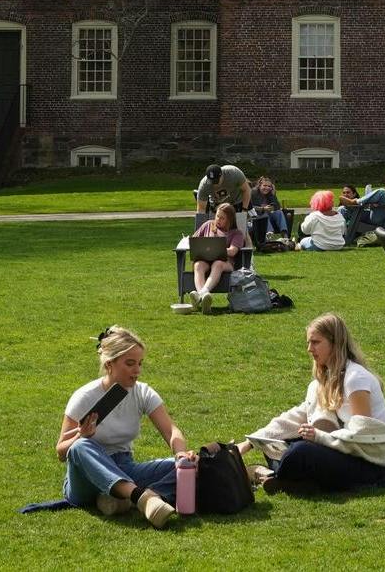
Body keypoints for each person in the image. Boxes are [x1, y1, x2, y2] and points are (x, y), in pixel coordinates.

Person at [239, 313, 385, 493]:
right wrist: (251, 442)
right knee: (276, 441)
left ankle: (266, 474)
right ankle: (294, 481)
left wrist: (319, 437)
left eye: (316, 342)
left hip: (369, 463)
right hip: (345, 452)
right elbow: (294, 417)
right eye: (308, 343)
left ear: (335, 344)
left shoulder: (355, 379)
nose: (309, 349)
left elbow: (363, 436)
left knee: (299, 452)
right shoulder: (324, 381)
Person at [57, 325, 195, 528]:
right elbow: (61, 452)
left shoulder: (142, 392)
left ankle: (122, 498)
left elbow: (171, 431)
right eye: (130, 364)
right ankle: (142, 497)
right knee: (81, 446)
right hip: (85, 480)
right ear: (109, 363)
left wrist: (181, 455)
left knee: (192, 465)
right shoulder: (84, 397)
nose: (137, 370)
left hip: (124, 467)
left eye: (140, 363)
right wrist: (81, 434)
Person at [189, 202, 246, 314]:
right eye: (217, 216)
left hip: (225, 263)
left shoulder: (236, 233)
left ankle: (201, 294)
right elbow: (193, 240)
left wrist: (218, 249)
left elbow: (233, 251)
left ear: (230, 220)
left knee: (217, 264)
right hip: (205, 260)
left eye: (222, 218)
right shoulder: (208, 225)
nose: (218, 220)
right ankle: (204, 298)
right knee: (198, 265)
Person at [248, 175, 289, 246]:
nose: (267, 188)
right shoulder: (253, 193)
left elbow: (277, 207)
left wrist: (273, 195)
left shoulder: (270, 193)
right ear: (259, 185)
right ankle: (269, 235)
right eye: (265, 185)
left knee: (279, 212)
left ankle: (285, 236)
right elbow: (250, 208)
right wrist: (263, 209)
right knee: (265, 214)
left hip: (268, 216)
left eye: (269, 186)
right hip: (256, 217)